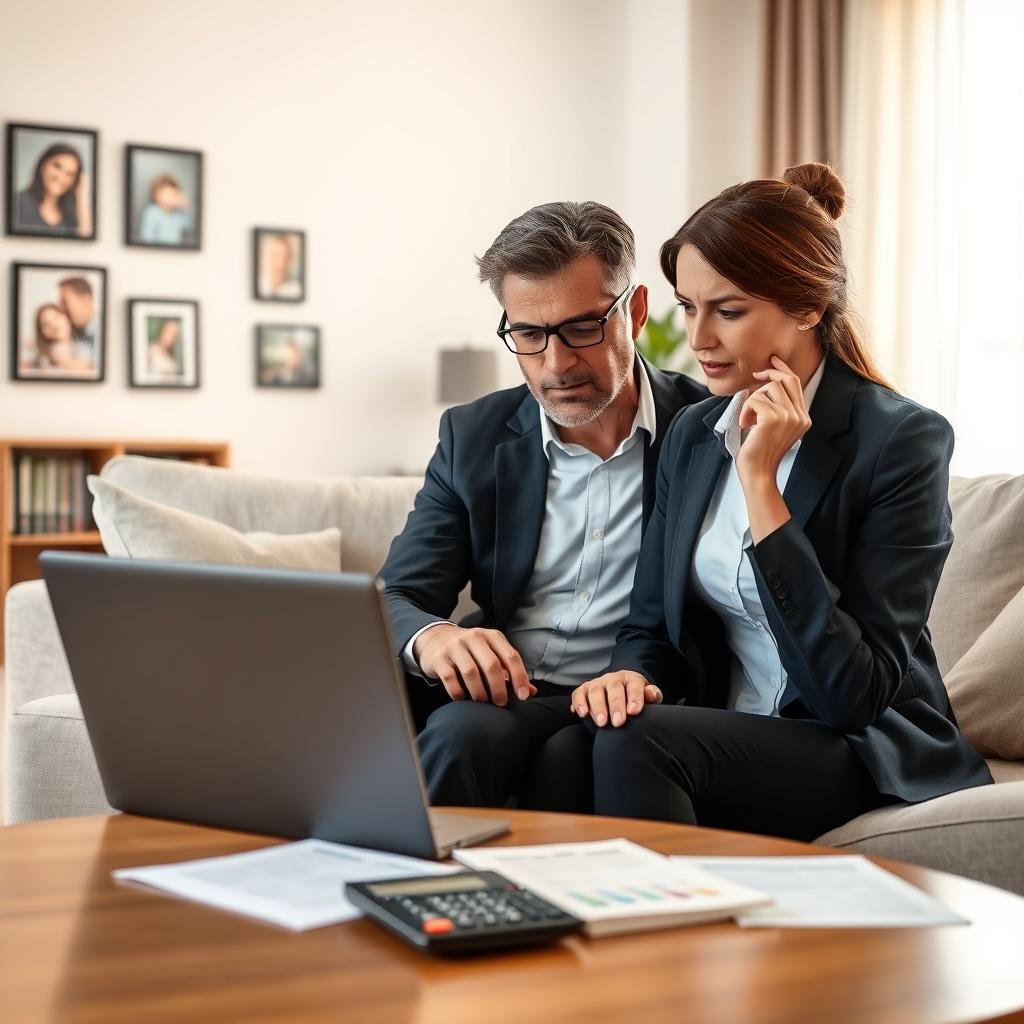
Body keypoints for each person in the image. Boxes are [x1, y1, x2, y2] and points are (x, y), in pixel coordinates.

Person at [570, 163, 992, 841]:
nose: (699, 338)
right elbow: (649, 629)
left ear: (807, 307)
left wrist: (762, 487)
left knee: (637, 744)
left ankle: (656, 938)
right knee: (570, 740)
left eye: (728, 310)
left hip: (855, 747)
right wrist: (625, 677)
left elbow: (852, 693)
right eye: (688, 306)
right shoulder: (693, 435)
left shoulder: (902, 441)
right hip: (733, 731)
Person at [380, 201, 708, 813]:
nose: (556, 364)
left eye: (583, 327)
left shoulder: (706, 431)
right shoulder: (472, 435)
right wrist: (434, 636)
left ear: (634, 312)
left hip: (637, 699)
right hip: (506, 691)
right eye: (529, 334)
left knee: (473, 740)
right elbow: (397, 594)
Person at [15, 143, 92, 238]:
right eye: (57, 167)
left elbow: (86, 243)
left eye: (70, 174)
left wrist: (82, 198)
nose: (61, 177)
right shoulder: (17, 202)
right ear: (43, 165)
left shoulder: (72, 215)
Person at [22, 304, 92, 374]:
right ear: (42, 332)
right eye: (47, 324)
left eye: (56, 317)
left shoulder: (82, 348)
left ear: (66, 317)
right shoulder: (40, 358)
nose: (54, 325)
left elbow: (86, 371)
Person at [138, 174, 191, 244]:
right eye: (166, 192)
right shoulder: (152, 212)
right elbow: (146, 239)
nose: (171, 195)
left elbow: (189, 229)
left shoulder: (179, 214)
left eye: (174, 192)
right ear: (156, 196)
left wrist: (185, 206)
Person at [58, 277, 98, 361]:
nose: (61, 308)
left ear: (85, 299)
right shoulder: (75, 332)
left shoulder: (101, 332)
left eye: (64, 302)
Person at [259, 233, 302, 299]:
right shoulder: (261, 284)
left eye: (283, 256)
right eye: (274, 255)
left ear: (289, 258)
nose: (278, 262)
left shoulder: (295, 288)